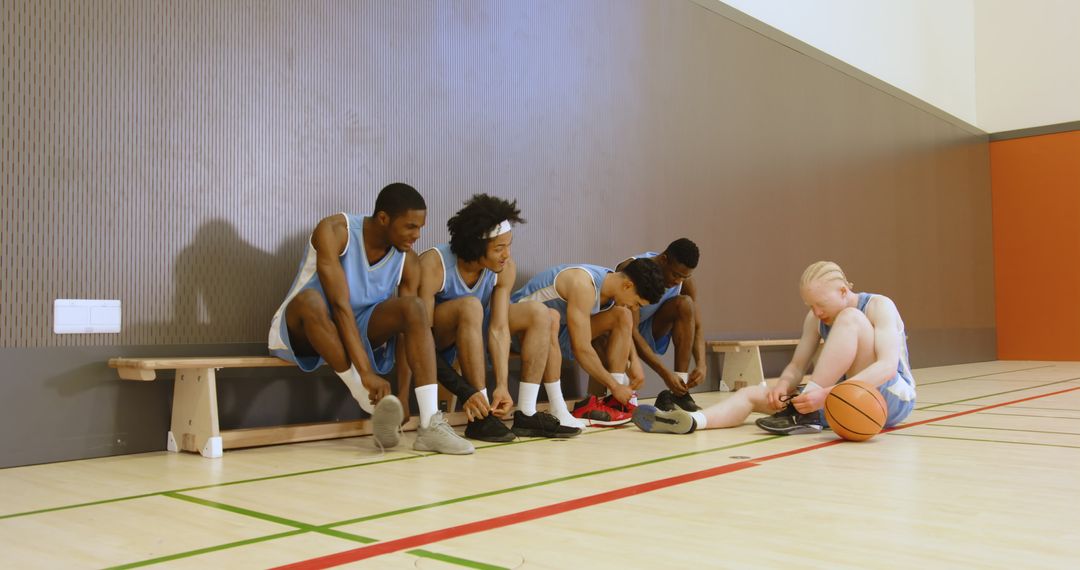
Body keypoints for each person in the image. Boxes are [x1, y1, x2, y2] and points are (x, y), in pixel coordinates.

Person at [269, 182, 474, 454]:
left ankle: (430, 424)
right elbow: (340, 307)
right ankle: (365, 399)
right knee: (311, 301)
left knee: (414, 308)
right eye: (410, 227)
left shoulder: (407, 260)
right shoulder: (334, 232)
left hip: (358, 332)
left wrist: (402, 395)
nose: (417, 235)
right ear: (383, 218)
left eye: (420, 227)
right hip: (305, 329)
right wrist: (365, 374)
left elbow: (408, 333)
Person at [632, 261, 916, 435]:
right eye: (810, 306)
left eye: (821, 305)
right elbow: (796, 366)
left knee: (850, 319)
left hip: (888, 397)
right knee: (752, 393)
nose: (816, 312)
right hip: (839, 399)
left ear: (843, 291)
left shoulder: (878, 306)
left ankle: (805, 412)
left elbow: (886, 367)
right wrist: (782, 385)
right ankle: (693, 421)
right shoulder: (816, 317)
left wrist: (822, 394)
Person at [417, 194, 580, 442]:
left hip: (474, 328)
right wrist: (468, 392)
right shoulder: (433, 264)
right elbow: (422, 338)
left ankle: (526, 412)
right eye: (499, 248)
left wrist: (502, 385)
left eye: (509, 245)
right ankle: (481, 417)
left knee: (540, 313)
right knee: (472, 306)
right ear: (476, 247)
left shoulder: (504, 268)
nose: (507, 254)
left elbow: (499, 328)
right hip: (438, 338)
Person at [511, 259, 665, 426]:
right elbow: (581, 348)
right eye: (637, 303)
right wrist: (614, 385)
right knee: (552, 317)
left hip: (558, 331)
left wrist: (633, 360)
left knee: (622, 315)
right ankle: (558, 408)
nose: (635, 308)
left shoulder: (612, 283)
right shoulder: (583, 285)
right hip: (522, 331)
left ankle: (612, 401)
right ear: (627, 286)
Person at [615, 238, 706, 414]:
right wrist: (664, 374)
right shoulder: (633, 270)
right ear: (663, 259)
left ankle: (679, 392)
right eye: (676, 274)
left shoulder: (684, 282)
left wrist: (702, 364)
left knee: (686, 304)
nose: (679, 281)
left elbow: (698, 325)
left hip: (651, 329)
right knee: (621, 327)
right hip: (623, 330)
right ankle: (613, 397)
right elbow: (631, 330)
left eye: (684, 277)